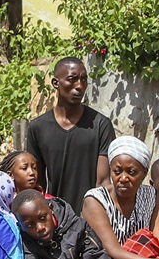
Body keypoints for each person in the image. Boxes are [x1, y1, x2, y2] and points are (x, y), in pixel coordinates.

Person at [24, 57, 116, 206]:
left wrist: (98, 216)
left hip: (91, 217)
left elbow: (103, 181)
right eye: (72, 79)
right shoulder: (38, 128)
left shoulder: (100, 125)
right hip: (57, 216)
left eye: (84, 79)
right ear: (56, 83)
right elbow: (38, 184)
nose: (79, 86)